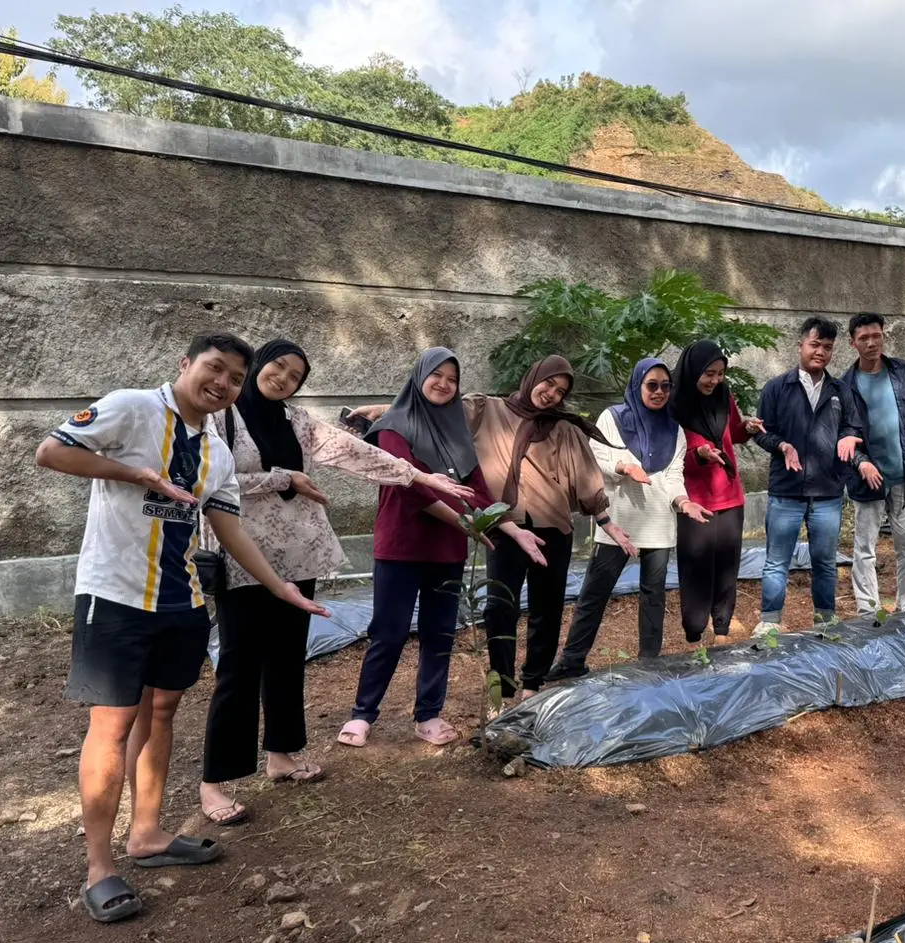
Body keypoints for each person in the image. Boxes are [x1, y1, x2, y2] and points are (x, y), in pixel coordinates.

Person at [34, 332, 329, 924]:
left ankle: (146, 835)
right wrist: (134, 474)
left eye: (234, 379)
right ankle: (100, 868)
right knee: (112, 726)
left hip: (181, 600)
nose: (222, 384)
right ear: (186, 364)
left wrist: (279, 587)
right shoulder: (130, 406)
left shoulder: (215, 452)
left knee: (163, 713)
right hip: (115, 596)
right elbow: (51, 452)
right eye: (214, 369)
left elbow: (229, 528)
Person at [198, 340, 476, 824]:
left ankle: (282, 755)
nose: (283, 379)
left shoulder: (296, 421)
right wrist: (284, 478)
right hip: (240, 556)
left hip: (297, 554)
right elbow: (207, 481)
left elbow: (354, 453)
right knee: (240, 665)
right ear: (259, 365)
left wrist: (420, 478)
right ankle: (216, 781)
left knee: (288, 655)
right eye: (278, 368)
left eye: (295, 376)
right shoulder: (219, 418)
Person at [348, 356, 635, 709]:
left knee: (547, 608)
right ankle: (504, 687)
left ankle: (534, 682)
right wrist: (383, 410)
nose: (551, 394)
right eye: (548, 384)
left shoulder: (564, 428)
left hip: (553, 528)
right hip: (503, 523)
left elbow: (587, 479)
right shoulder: (486, 410)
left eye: (560, 391)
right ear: (533, 378)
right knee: (501, 609)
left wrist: (607, 522)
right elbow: (433, 409)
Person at [337, 349, 547, 748]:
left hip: (446, 552)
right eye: (437, 375)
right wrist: (465, 523)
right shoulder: (392, 427)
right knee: (389, 631)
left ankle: (428, 714)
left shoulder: (457, 435)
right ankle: (363, 714)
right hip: (401, 546)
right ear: (419, 377)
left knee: (440, 633)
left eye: (452, 378)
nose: (443, 384)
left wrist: (511, 528)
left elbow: (481, 493)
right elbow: (411, 488)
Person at [546, 359, 714, 679]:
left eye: (666, 386)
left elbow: (673, 476)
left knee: (654, 594)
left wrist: (682, 502)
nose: (660, 392)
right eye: (652, 385)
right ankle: (572, 660)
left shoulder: (674, 429)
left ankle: (649, 662)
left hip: (659, 523)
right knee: (595, 591)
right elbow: (596, 459)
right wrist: (624, 467)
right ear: (637, 385)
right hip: (619, 522)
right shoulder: (611, 419)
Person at [753, 316, 861, 636]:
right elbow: (762, 433)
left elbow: (853, 428)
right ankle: (769, 622)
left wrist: (850, 437)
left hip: (827, 492)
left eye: (827, 348)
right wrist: (782, 445)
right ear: (800, 345)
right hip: (786, 491)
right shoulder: (777, 388)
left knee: (825, 562)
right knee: (776, 561)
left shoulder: (841, 390)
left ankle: (826, 621)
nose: (820, 353)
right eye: (815, 345)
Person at [668, 340, 765, 645]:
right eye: (708, 374)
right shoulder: (675, 405)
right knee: (696, 564)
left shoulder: (725, 397)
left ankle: (721, 627)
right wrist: (700, 454)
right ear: (694, 370)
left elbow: (733, 432)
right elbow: (669, 455)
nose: (715, 381)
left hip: (730, 495)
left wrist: (747, 426)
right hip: (695, 498)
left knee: (726, 566)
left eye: (720, 374)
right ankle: (695, 629)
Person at [840, 312, 905, 614]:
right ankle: (869, 611)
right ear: (852, 343)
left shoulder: (903, 371)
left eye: (876, 336)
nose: (871, 343)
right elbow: (844, 434)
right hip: (868, 478)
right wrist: (861, 462)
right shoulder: (845, 385)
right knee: (865, 549)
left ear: (883, 336)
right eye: (864, 338)